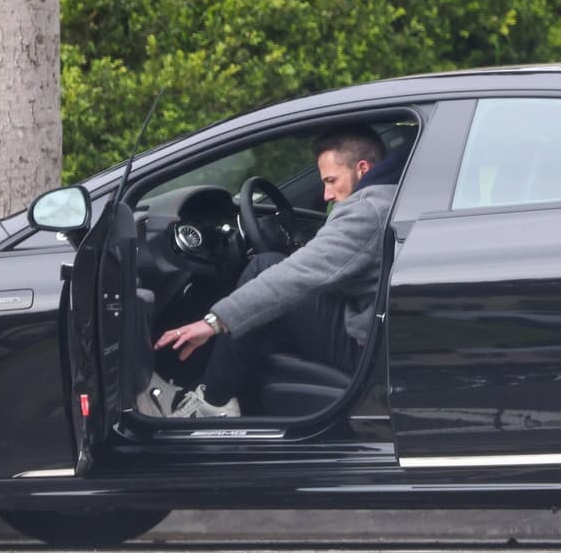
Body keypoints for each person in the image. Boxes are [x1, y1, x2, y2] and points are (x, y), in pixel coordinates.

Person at [151, 126, 401, 417]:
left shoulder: (367, 210)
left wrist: (213, 322)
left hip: (365, 348)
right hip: (375, 331)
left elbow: (297, 274)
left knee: (263, 267)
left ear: (362, 168)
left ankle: (213, 403)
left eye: (332, 181)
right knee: (264, 298)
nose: (327, 194)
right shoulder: (391, 195)